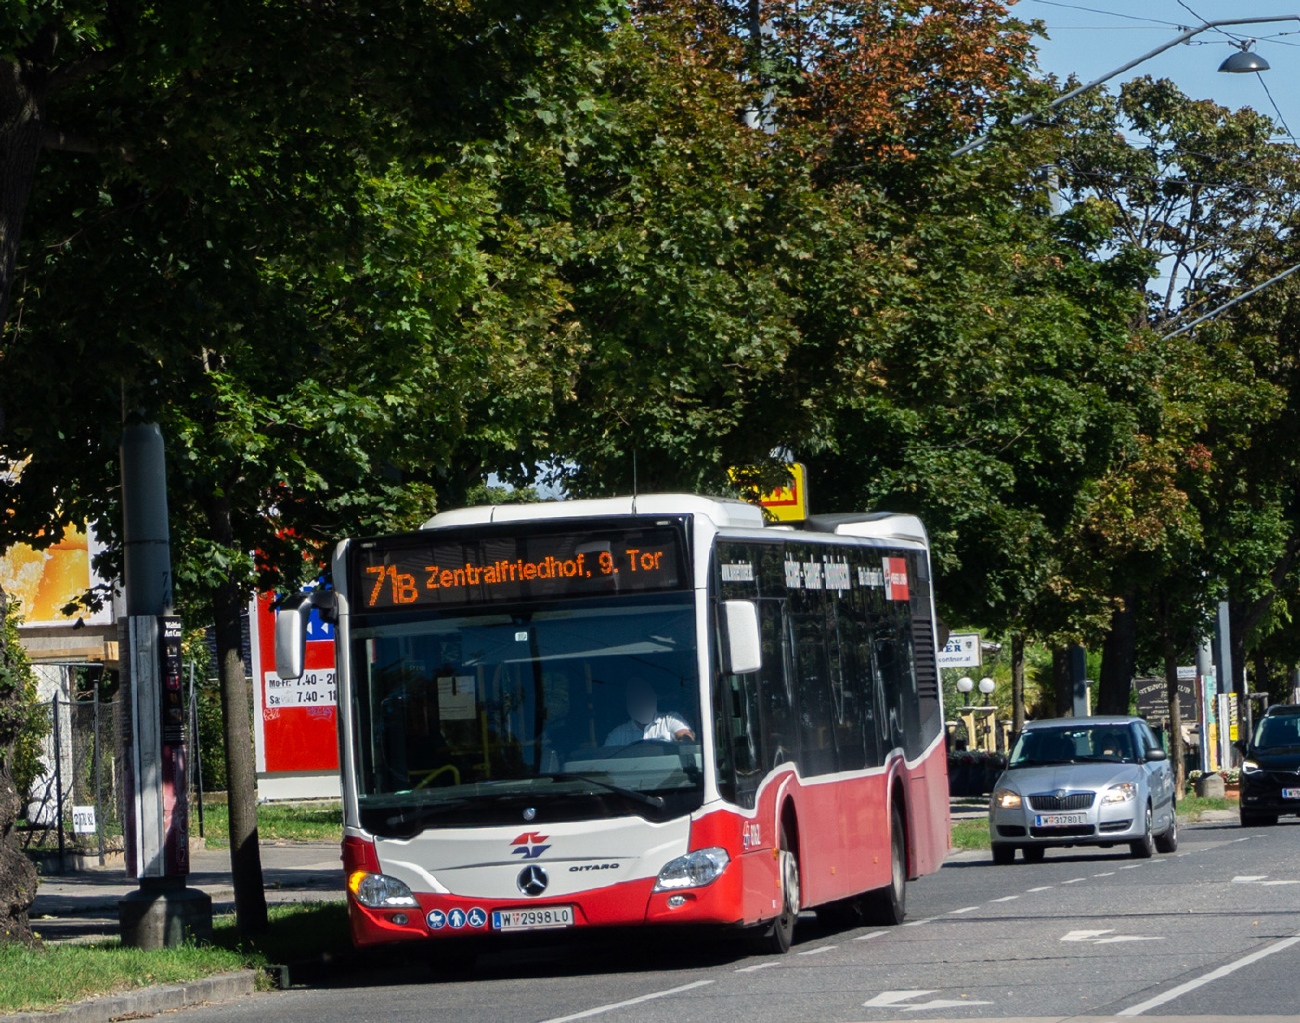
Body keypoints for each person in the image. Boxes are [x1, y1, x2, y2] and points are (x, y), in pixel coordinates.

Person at [604, 678, 695, 745]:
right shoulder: (618, 735)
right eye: (635, 697)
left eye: (644, 696)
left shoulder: (670, 719)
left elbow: (685, 734)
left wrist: (685, 739)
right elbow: (605, 762)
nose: (641, 701)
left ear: (653, 697)